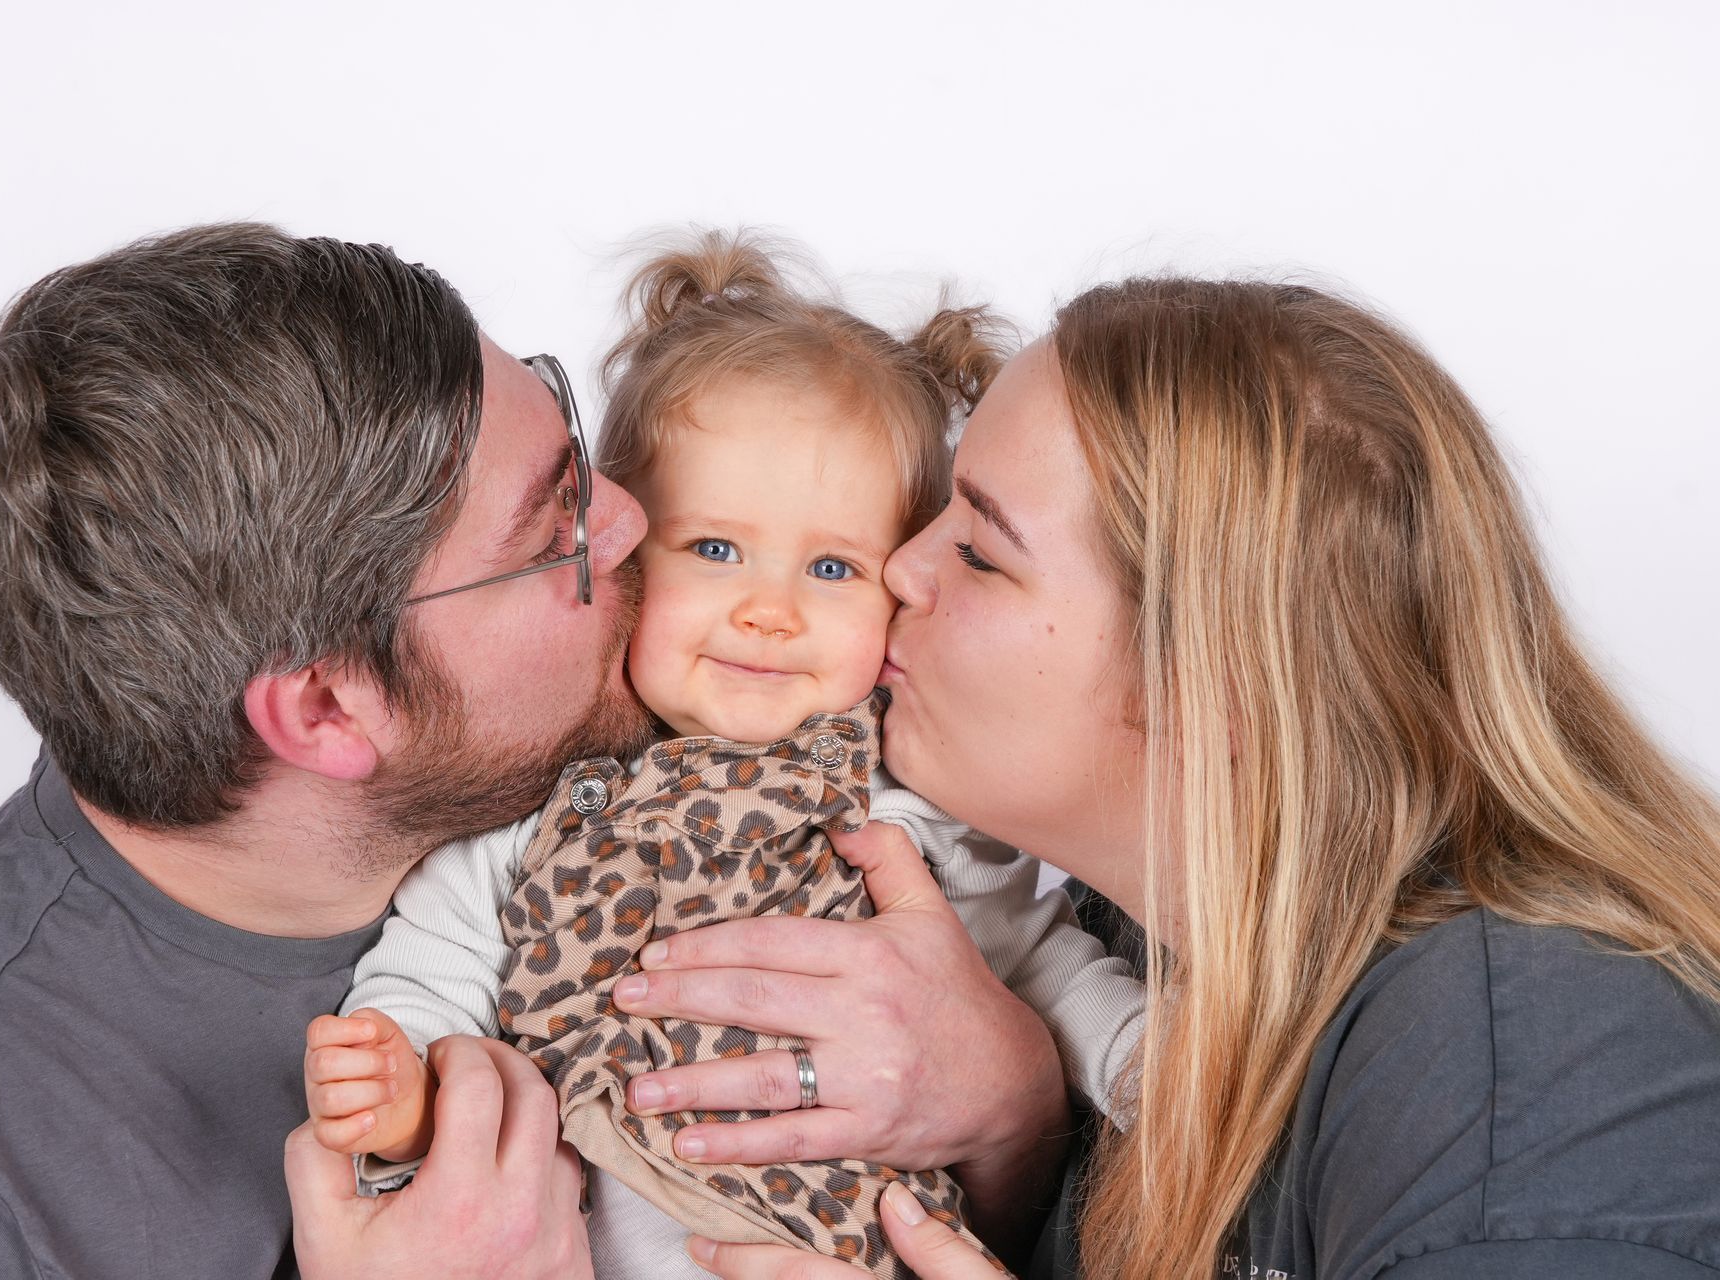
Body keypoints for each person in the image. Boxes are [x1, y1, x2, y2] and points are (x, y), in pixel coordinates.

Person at [0, 222, 1069, 1279]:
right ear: (332, 711)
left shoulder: (728, 761)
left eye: (576, 452)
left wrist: (1016, 1104)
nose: (635, 522)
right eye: (552, 530)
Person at [627, 278, 1720, 1279]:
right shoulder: (1124, 931)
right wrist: (1016, 1123)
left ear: (1211, 686)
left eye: (980, 552)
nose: (900, 567)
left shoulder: (1530, 1071)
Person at [298, 233, 1145, 1280]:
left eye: (832, 567)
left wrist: (1140, 1059)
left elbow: (1044, 967)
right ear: (621, 550)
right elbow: (441, 953)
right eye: (714, 549)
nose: (769, 610)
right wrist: (397, 1082)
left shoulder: (905, 807)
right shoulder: (558, 798)